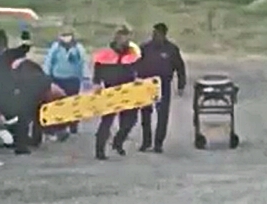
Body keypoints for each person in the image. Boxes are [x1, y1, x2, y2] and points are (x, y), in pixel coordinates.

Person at [92, 25, 142, 160]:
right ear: (117, 37)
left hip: (128, 90)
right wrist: (96, 83)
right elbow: (98, 68)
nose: (125, 39)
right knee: (107, 121)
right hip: (111, 90)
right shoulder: (105, 53)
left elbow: (139, 69)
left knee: (130, 121)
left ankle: (118, 142)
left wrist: (139, 81)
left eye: (127, 36)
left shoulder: (133, 53)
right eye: (122, 36)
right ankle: (99, 150)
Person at [136, 22, 186, 153]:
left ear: (164, 34)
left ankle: (158, 143)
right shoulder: (145, 48)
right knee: (146, 115)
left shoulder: (171, 49)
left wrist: (181, 85)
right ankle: (146, 142)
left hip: (163, 84)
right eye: (153, 33)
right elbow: (135, 64)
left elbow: (180, 68)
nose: (155, 36)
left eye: (157, 34)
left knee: (162, 115)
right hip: (146, 85)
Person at [43, 29, 89, 135]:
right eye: (64, 35)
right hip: (58, 79)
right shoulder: (56, 47)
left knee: (73, 103)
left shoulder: (78, 48)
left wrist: (86, 77)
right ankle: (56, 125)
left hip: (73, 80)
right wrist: (47, 76)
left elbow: (83, 62)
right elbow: (49, 61)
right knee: (56, 103)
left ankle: (73, 124)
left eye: (68, 35)